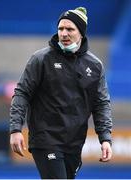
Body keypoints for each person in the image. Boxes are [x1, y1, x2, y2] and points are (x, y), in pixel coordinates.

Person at [10, 7, 113, 179]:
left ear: (81, 33)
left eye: (70, 29)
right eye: (60, 29)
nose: (64, 33)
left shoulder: (95, 66)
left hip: (74, 143)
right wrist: (15, 129)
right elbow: (21, 93)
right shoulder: (41, 59)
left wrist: (105, 138)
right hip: (45, 139)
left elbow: (101, 104)